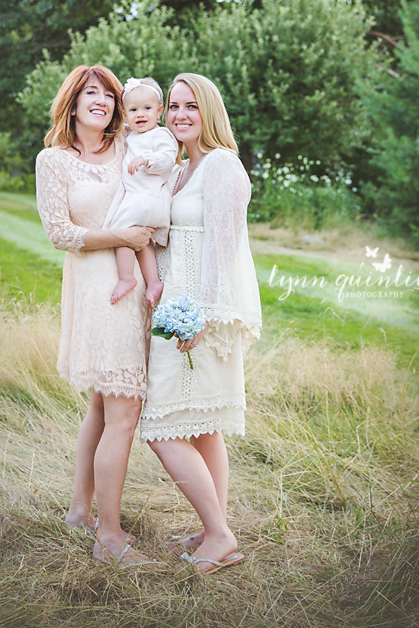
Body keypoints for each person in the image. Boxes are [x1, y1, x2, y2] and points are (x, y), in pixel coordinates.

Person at [140, 73, 262, 573]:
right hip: (173, 310)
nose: (180, 114)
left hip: (201, 317)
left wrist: (202, 319)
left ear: (209, 111)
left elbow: (224, 248)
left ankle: (220, 535)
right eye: (173, 106)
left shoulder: (223, 167)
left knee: (161, 426)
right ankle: (214, 526)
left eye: (191, 105)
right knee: (205, 427)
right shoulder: (180, 171)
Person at [35, 64, 156, 567]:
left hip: (133, 290)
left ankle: (79, 511)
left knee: (105, 408)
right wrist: (123, 238)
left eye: (109, 95)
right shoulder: (53, 160)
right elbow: (60, 232)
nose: (102, 101)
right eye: (92, 93)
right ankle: (109, 535)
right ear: (74, 101)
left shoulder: (129, 146)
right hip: (95, 290)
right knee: (122, 410)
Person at [104, 76, 177, 307]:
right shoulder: (133, 134)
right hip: (143, 201)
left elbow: (168, 158)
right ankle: (153, 281)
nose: (141, 114)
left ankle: (127, 278)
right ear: (125, 115)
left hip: (147, 199)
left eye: (147, 108)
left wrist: (146, 159)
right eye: (133, 110)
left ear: (160, 111)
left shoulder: (161, 134)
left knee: (120, 233)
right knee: (141, 241)